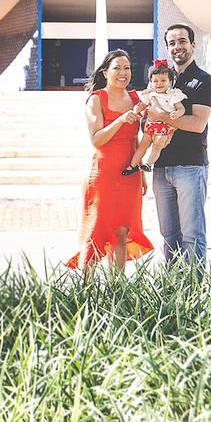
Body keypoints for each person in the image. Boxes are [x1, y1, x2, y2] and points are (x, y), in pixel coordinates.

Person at [66, 49, 155, 273]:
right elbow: (97, 139)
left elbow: (135, 140)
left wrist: (140, 172)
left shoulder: (136, 98)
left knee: (121, 233)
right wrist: (122, 120)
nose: (123, 73)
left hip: (129, 174)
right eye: (117, 68)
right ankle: (86, 292)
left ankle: (117, 291)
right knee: (97, 232)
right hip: (103, 173)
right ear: (105, 72)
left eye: (127, 68)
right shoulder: (96, 99)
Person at [144, 23, 211, 268]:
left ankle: (194, 294)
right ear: (167, 47)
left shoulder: (203, 81)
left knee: (192, 236)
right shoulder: (160, 81)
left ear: (193, 45)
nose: (178, 47)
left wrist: (159, 116)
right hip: (161, 168)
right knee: (169, 236)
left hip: (190, 167)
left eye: (182, 41)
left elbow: (197, 124)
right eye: (172, 43)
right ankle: (174, 294)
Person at [123, 59, 186, 176]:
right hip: (150, 125)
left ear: (170, 82)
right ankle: (132, 165)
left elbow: (181, 108)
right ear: (151, 82)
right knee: (143, 145)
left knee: (158, 144)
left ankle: (148, 163)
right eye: (155, 81)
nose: (159, 84)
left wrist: (177, 114)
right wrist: (137, 109)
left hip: (164, 127)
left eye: (163, 80)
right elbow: (142, 105)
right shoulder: (150, 94)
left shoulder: (172, 95)